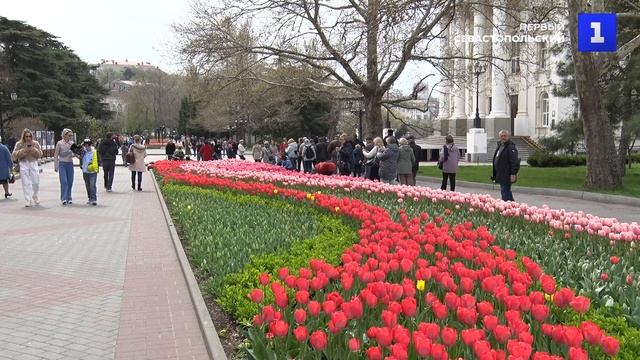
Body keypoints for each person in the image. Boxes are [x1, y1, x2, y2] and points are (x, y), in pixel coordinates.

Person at [12, 129, 43, 207]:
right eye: (26, 136)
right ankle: (28, 200)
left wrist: (33, 150)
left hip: (33, 163)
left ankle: (35, 195)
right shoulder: (19, 144)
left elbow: (40, 154)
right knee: (25, 183)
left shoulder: (35, 143)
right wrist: (24, 150)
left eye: (30, 136)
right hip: (23, 163)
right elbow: (14, 154)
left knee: (36, 182)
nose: (28, 138)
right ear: (24, 136)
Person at [491, 130, 520, 201]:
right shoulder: (500, 146)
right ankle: (512, 207)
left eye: (505, 136)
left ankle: (509, 207)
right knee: (505, 192)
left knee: (505, 192)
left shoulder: (510, 147)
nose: (503, 137)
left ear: (508, 136)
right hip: (500, 174)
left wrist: (513, 173)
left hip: (506, 174)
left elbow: (514, 161)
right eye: (501, 136)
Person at [54, 128, 76, 205]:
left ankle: (69, 197)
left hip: (69, 163)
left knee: (70, 181)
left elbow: (75, 153)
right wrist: (56, 166)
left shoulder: (72, 143)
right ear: (64, 135)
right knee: (64, 181)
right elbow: (56, 155)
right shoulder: (59, 143)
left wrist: (77, 153)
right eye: (68, 135)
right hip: (62, 163)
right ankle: (64, 198)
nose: (70, 137)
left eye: (71, 135)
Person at [80, 139, 99, 205]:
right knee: (87, 185)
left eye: (88, 145)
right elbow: (80, 157)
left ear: (90, 145)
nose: (87, 147)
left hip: (93, 171)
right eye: (85, 145)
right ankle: (90, 197)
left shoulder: (94, 151)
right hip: (85, 171)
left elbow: (98, 160)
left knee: (92, 185)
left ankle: (93, 199)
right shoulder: (83, 152)